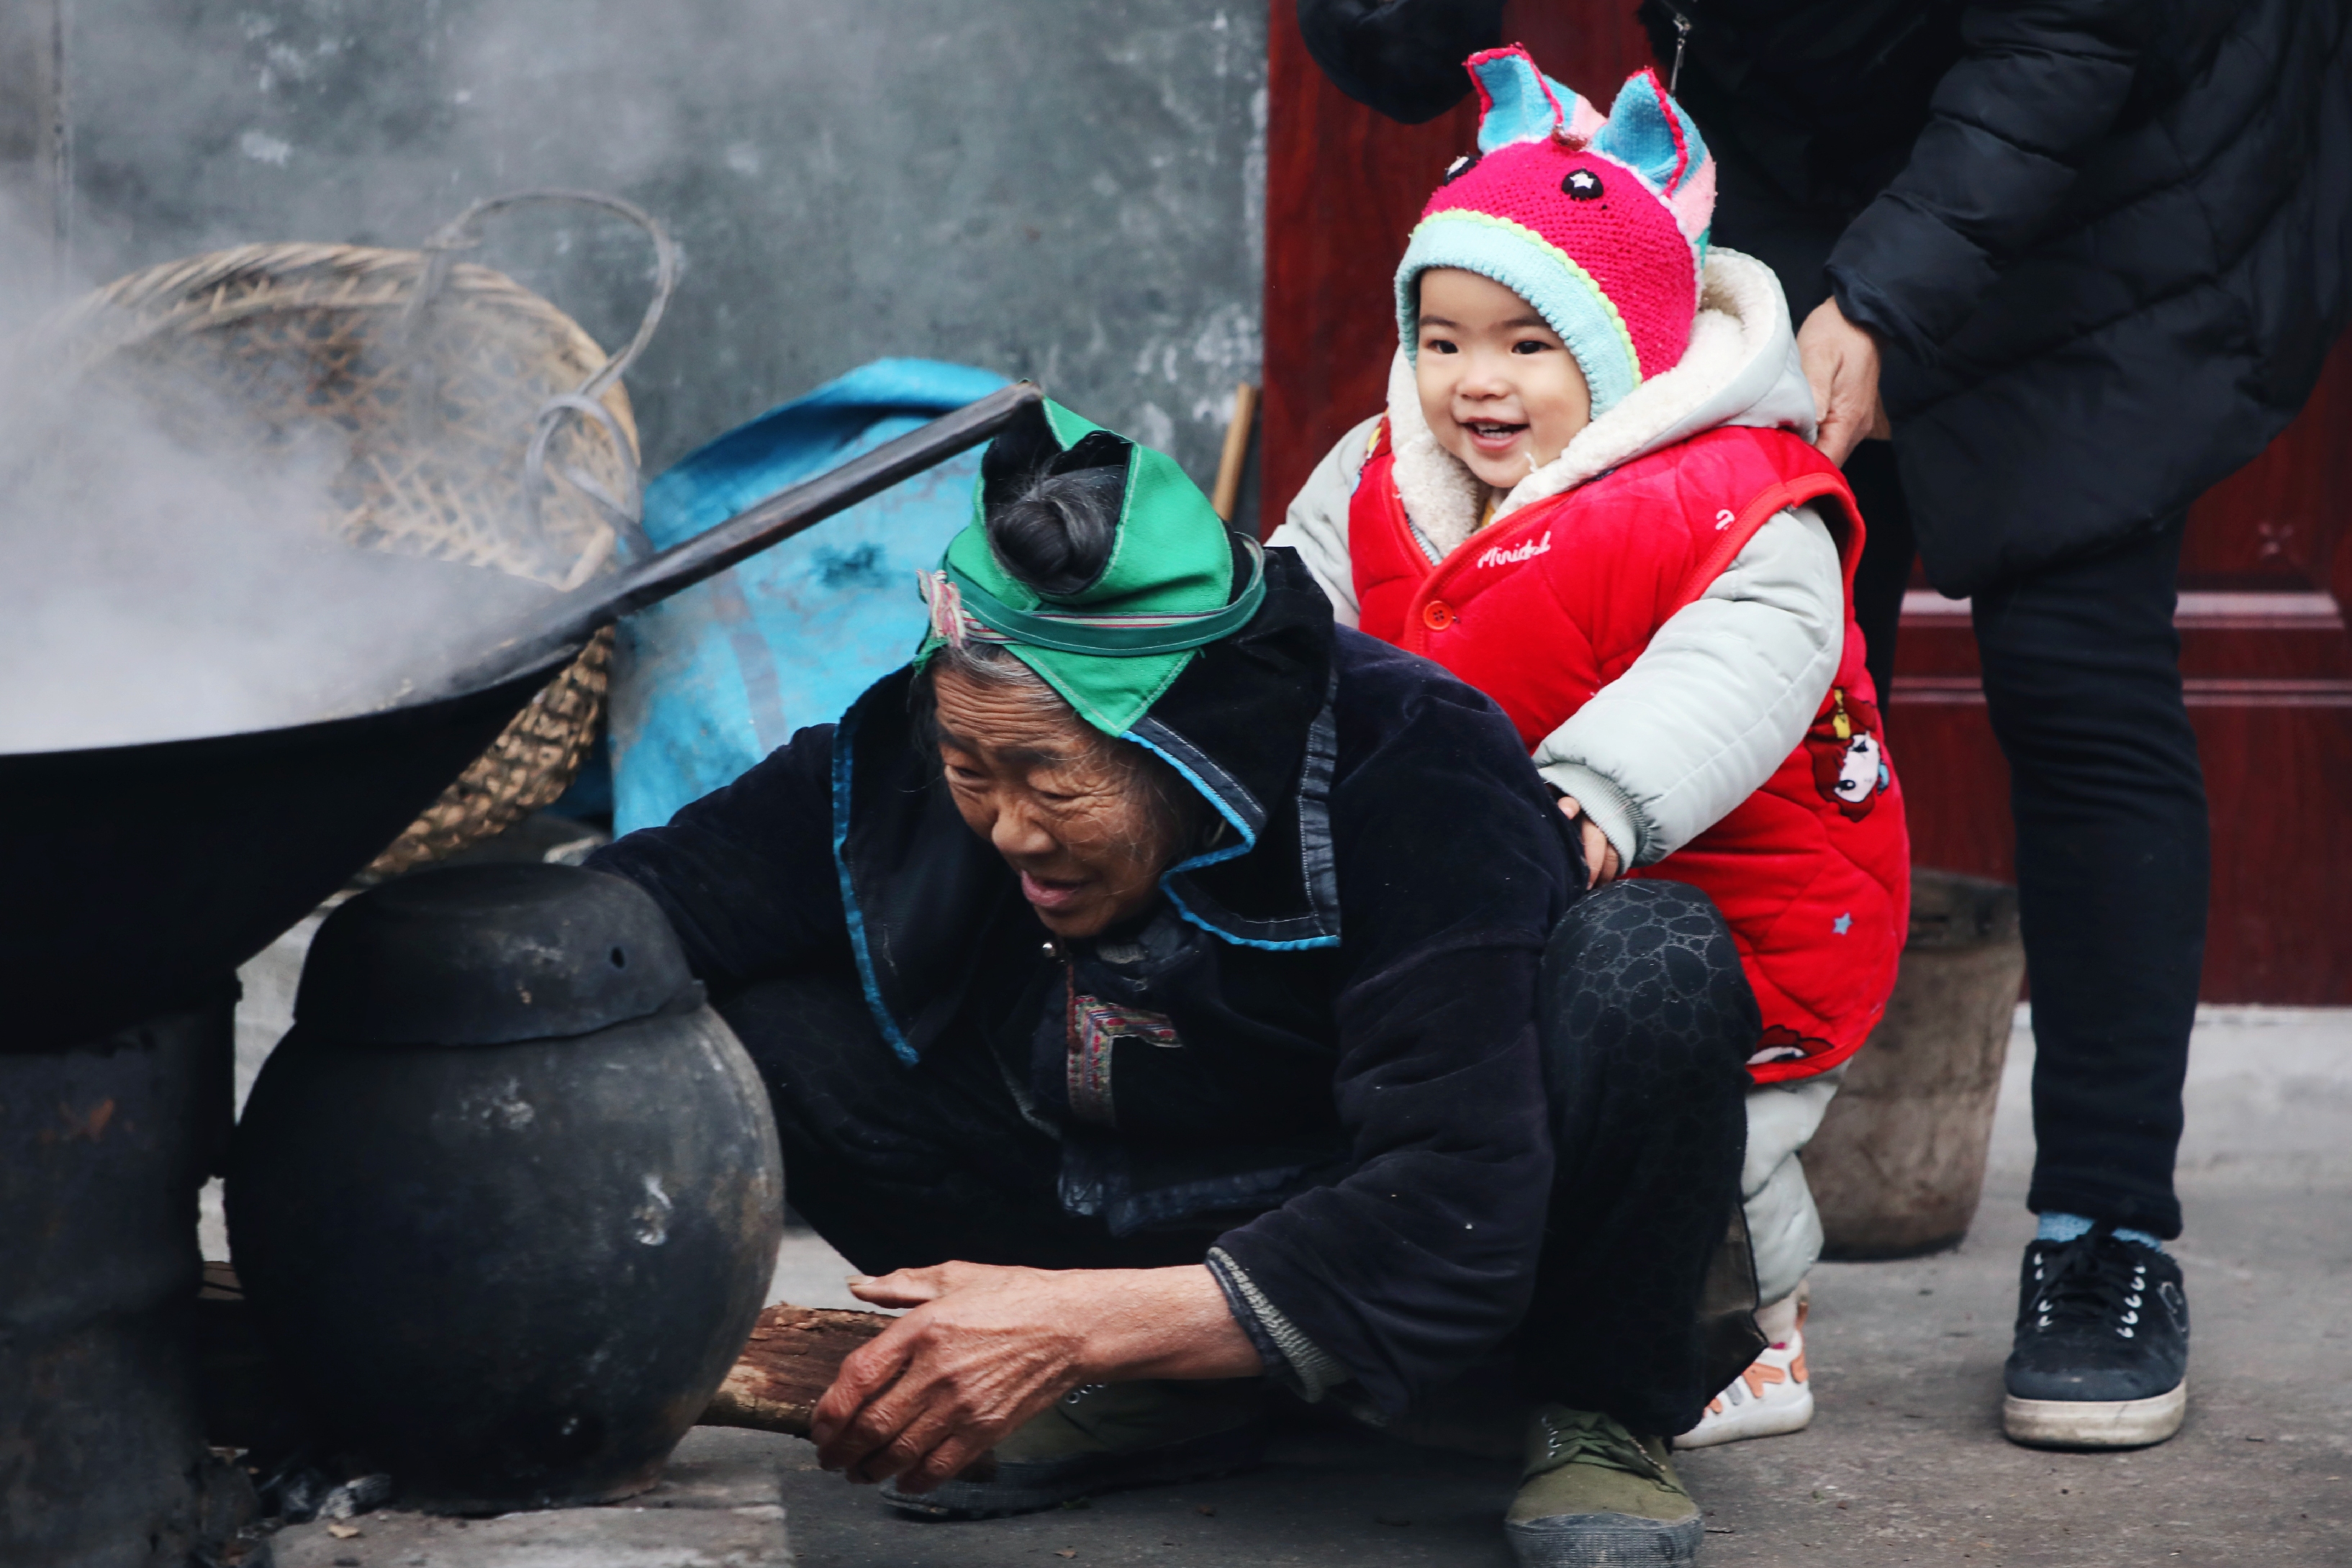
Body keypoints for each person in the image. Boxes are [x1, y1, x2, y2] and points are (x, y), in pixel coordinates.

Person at [1297, 0, 2352, 1450]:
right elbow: (1398, 51)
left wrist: (1880, 300)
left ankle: (2103, 1228)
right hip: (1801, 143)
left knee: (2075, 671)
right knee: (1771, 695)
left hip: (2114, 171)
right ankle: (1730, 1232)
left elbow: (2064, 43)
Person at [592, 395, 1764, 1566]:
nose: (1008, 830)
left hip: (1407, 1241)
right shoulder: (932, 738)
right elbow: (643, 910)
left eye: (1053, 783)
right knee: (738, 1017)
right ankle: (1166, 1392)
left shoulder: (1416, 764)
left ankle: (1597, 1413)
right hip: (1112, 1198)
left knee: (1651, 962)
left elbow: (1459, 1199)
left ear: (1186, 746)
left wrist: (1075, 1327)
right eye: (970, 772)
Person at [1270, 47, 1907, 1450]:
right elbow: (1296, 615)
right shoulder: (1378, 478)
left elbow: (1728, 673)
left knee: (1710, 1130)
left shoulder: (1743, 500)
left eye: (1525, 344)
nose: (1472, 383)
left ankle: (1758, 1326)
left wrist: (1594, 799)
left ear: (1622, 350)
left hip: (1728, 893)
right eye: (1442, 340)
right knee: (1476, 1092)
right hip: (1485, 885)